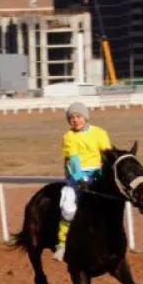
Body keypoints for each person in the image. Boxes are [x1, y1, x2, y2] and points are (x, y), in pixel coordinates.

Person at [56, 101, 112, 262]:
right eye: (72, 118)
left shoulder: (100, 133)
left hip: (98, 174)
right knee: (68, 208)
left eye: (78, 116)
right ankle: (62, 244)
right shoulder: (68, 137)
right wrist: (80, 178)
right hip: (77, 177)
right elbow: (73, 161)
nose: (75, 120)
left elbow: (107, 155)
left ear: (86, 118)